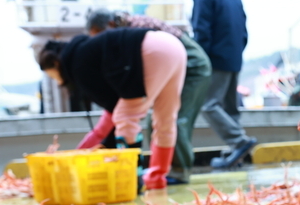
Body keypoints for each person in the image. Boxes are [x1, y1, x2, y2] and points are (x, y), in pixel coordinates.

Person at [38, 28, 186, 191]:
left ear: (56, 64)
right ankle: (156, 179)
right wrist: (79, 153)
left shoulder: (78, 66)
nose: (57, 82)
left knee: (126, 117)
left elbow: (115, 111)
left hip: (150, 52)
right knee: (166, 119)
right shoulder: (86, 50)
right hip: (173, 46)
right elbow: (111, 113)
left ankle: (131, 181)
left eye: (52, 76)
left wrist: (79, 154)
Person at [86, 9, 212, 184]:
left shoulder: (131, 32)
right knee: (159, 120)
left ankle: (178, 171)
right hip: (176, 62)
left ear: (110, 25)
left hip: (193, 66)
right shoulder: (128, 27)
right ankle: (160, 172)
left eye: (100, 36)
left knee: (174, 118)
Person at [191, 0, 257, 169]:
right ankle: (237, 154)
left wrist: (200, 60)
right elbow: (244, 32)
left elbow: (201, 29)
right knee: (230, 108)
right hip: (234, 58)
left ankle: (239, 141)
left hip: (215, 58)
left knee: (208, 104)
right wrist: (235, 53)